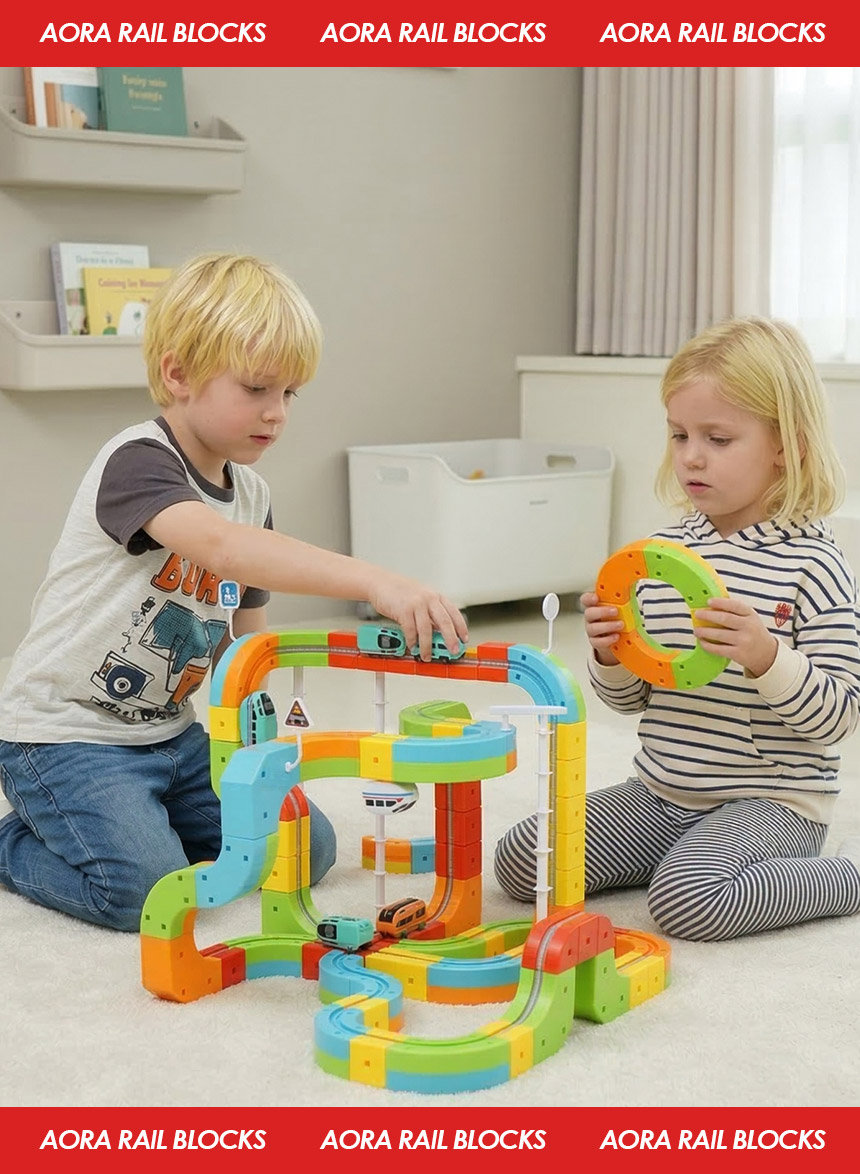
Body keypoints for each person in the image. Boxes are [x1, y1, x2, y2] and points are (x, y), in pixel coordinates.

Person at [0, 253, 468, 932]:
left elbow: (246, 639)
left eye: (290, 394)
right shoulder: (137, 461)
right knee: (144, 892)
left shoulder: (251, 495)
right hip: (67, 737)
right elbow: (220, 547)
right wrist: (378, 580)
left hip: (173, 736)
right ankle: (16, 841)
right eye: (256, 389)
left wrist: (254, 747)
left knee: (305, 851)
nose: (276, 413)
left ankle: (133, 822)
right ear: (178, 375)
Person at [495, 316, 860, 940]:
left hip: (770, 803)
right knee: (524, 859)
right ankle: (686, 855)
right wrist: (610, 654)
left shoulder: (814, 565)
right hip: (660, 790)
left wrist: (767, 657)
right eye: (679, 434)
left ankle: (844, 876)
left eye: (718, 438)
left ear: (787, 445)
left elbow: (840, 716)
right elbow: (632, 701)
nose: (691, 455)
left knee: (689, 901)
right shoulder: (660, 557)